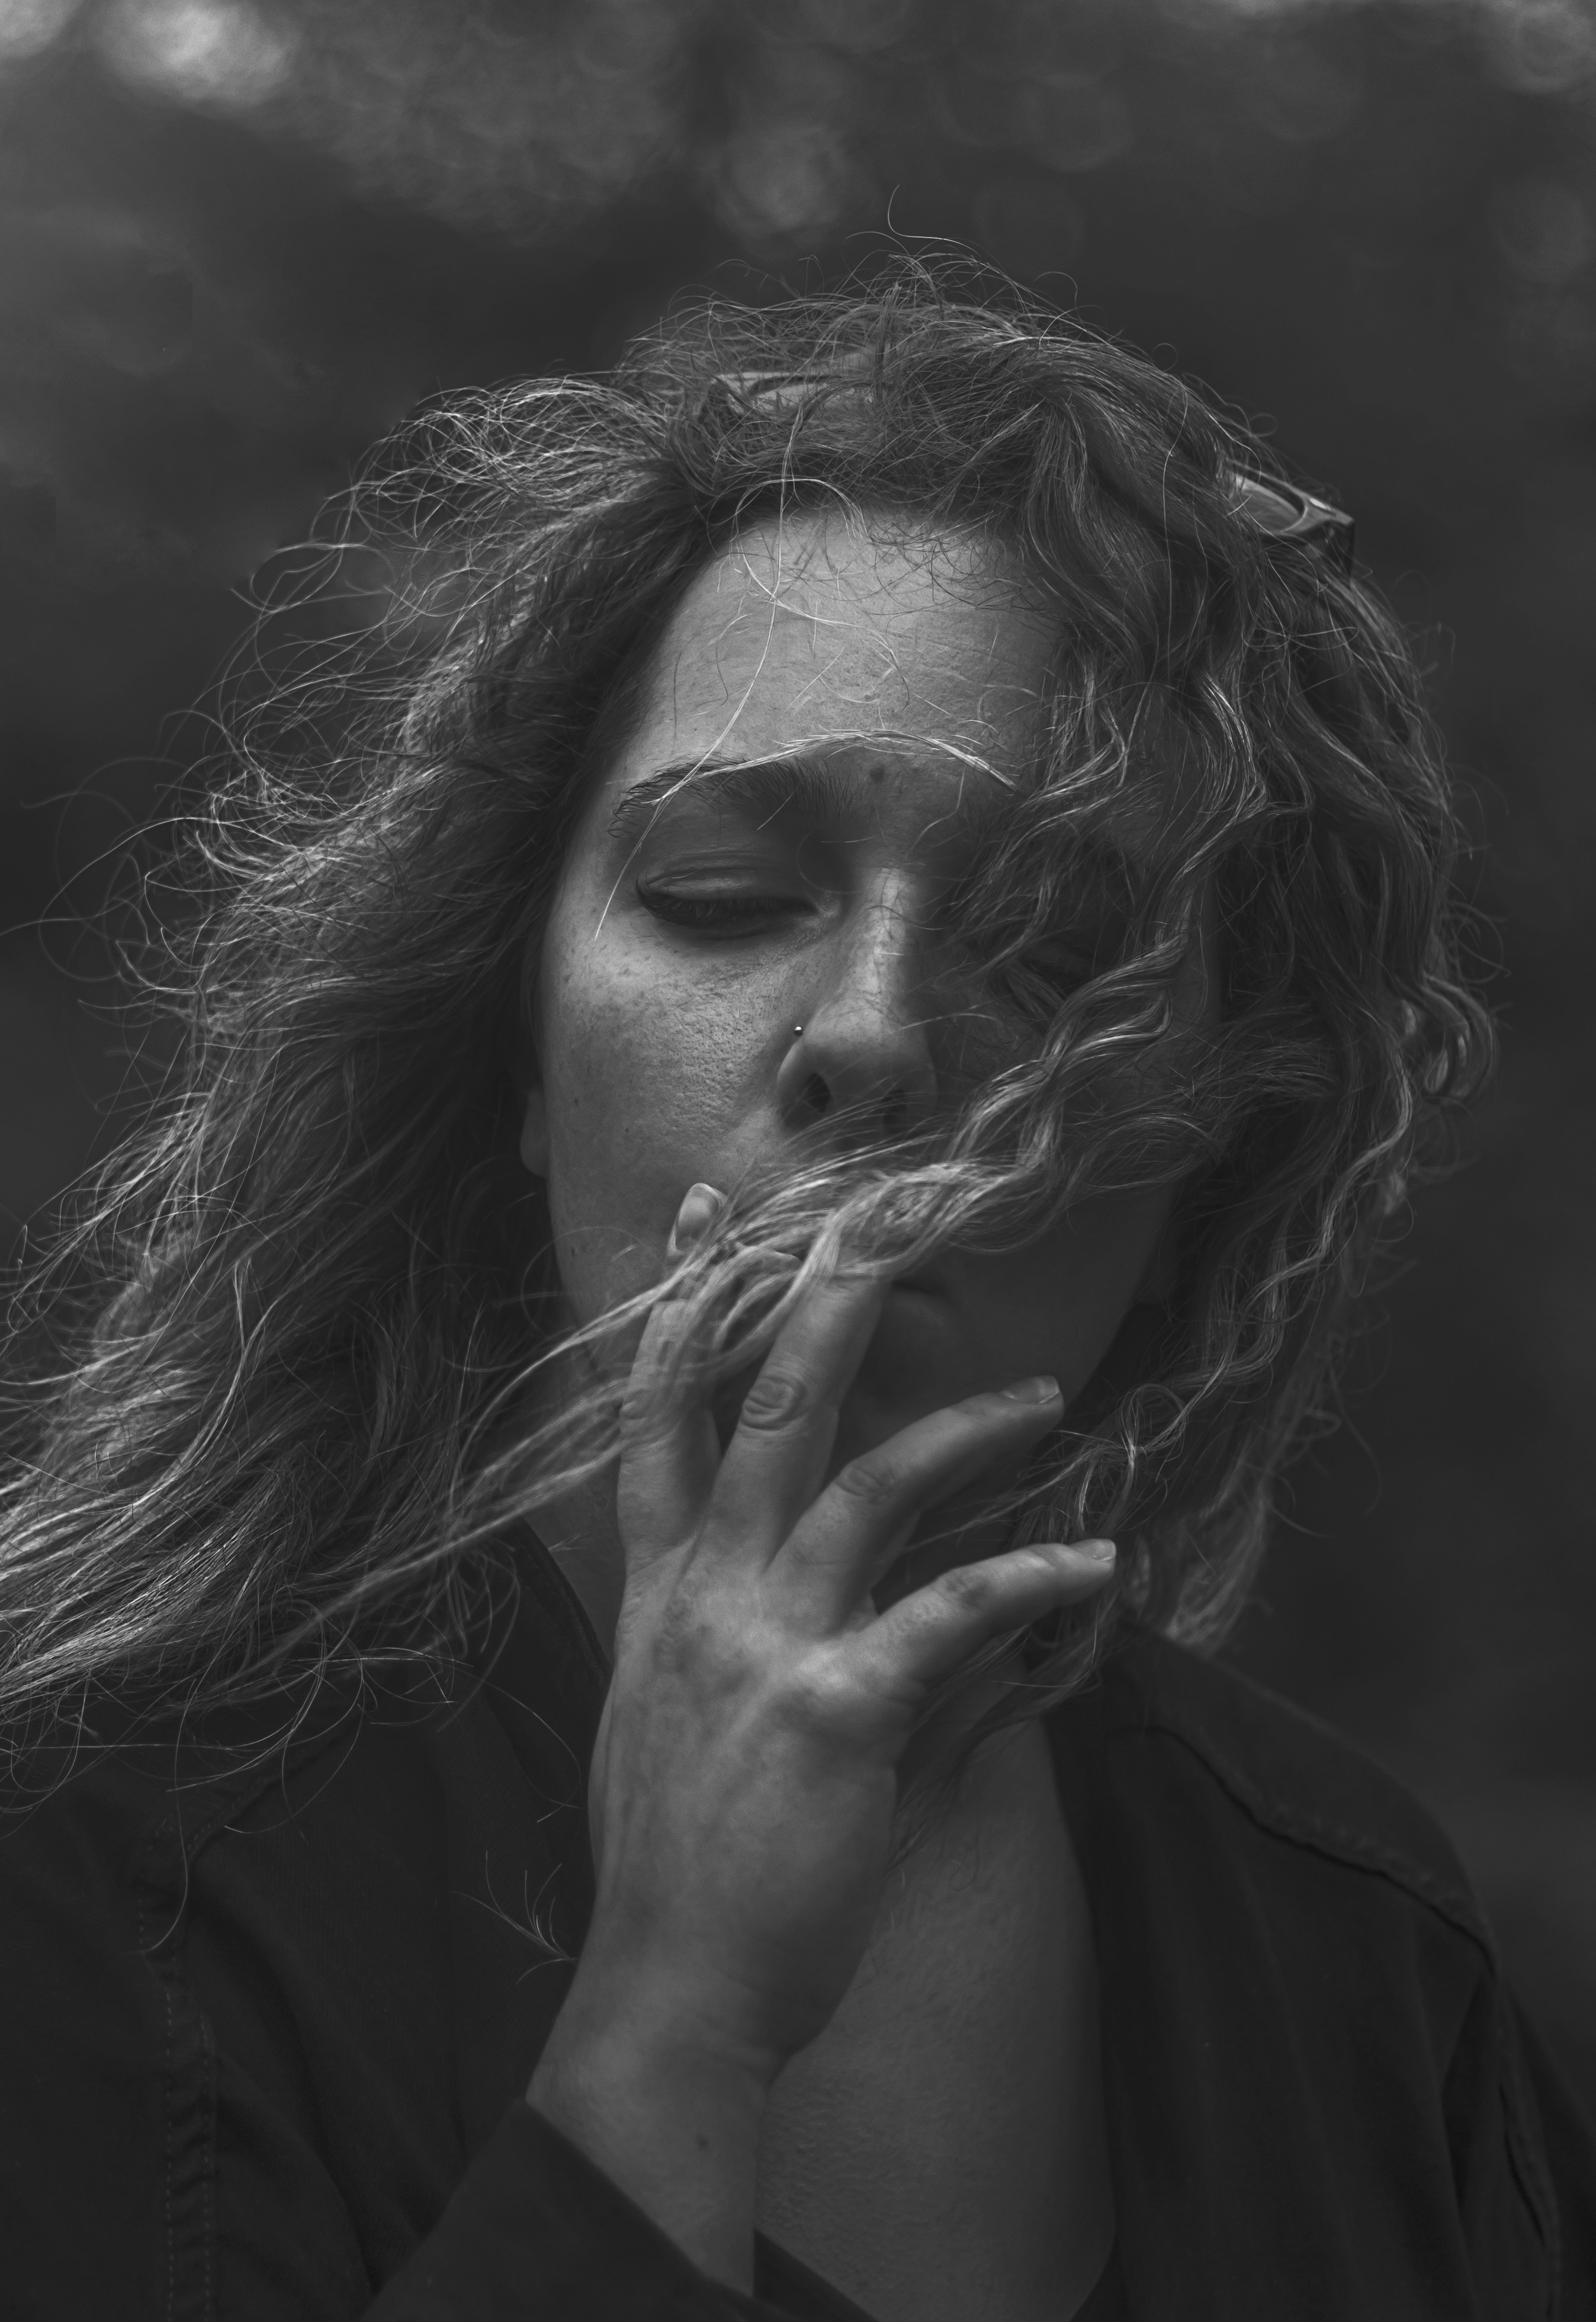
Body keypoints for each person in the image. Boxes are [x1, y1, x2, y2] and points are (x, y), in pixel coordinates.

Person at [0, 268, 1590, 2322]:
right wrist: (678, 2017)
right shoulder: (93, 1863)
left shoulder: (1358, 1947)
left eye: (1056, 950)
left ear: (1215, 1135)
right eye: (725, 895)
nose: (872, 1035)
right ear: (509, 1052)